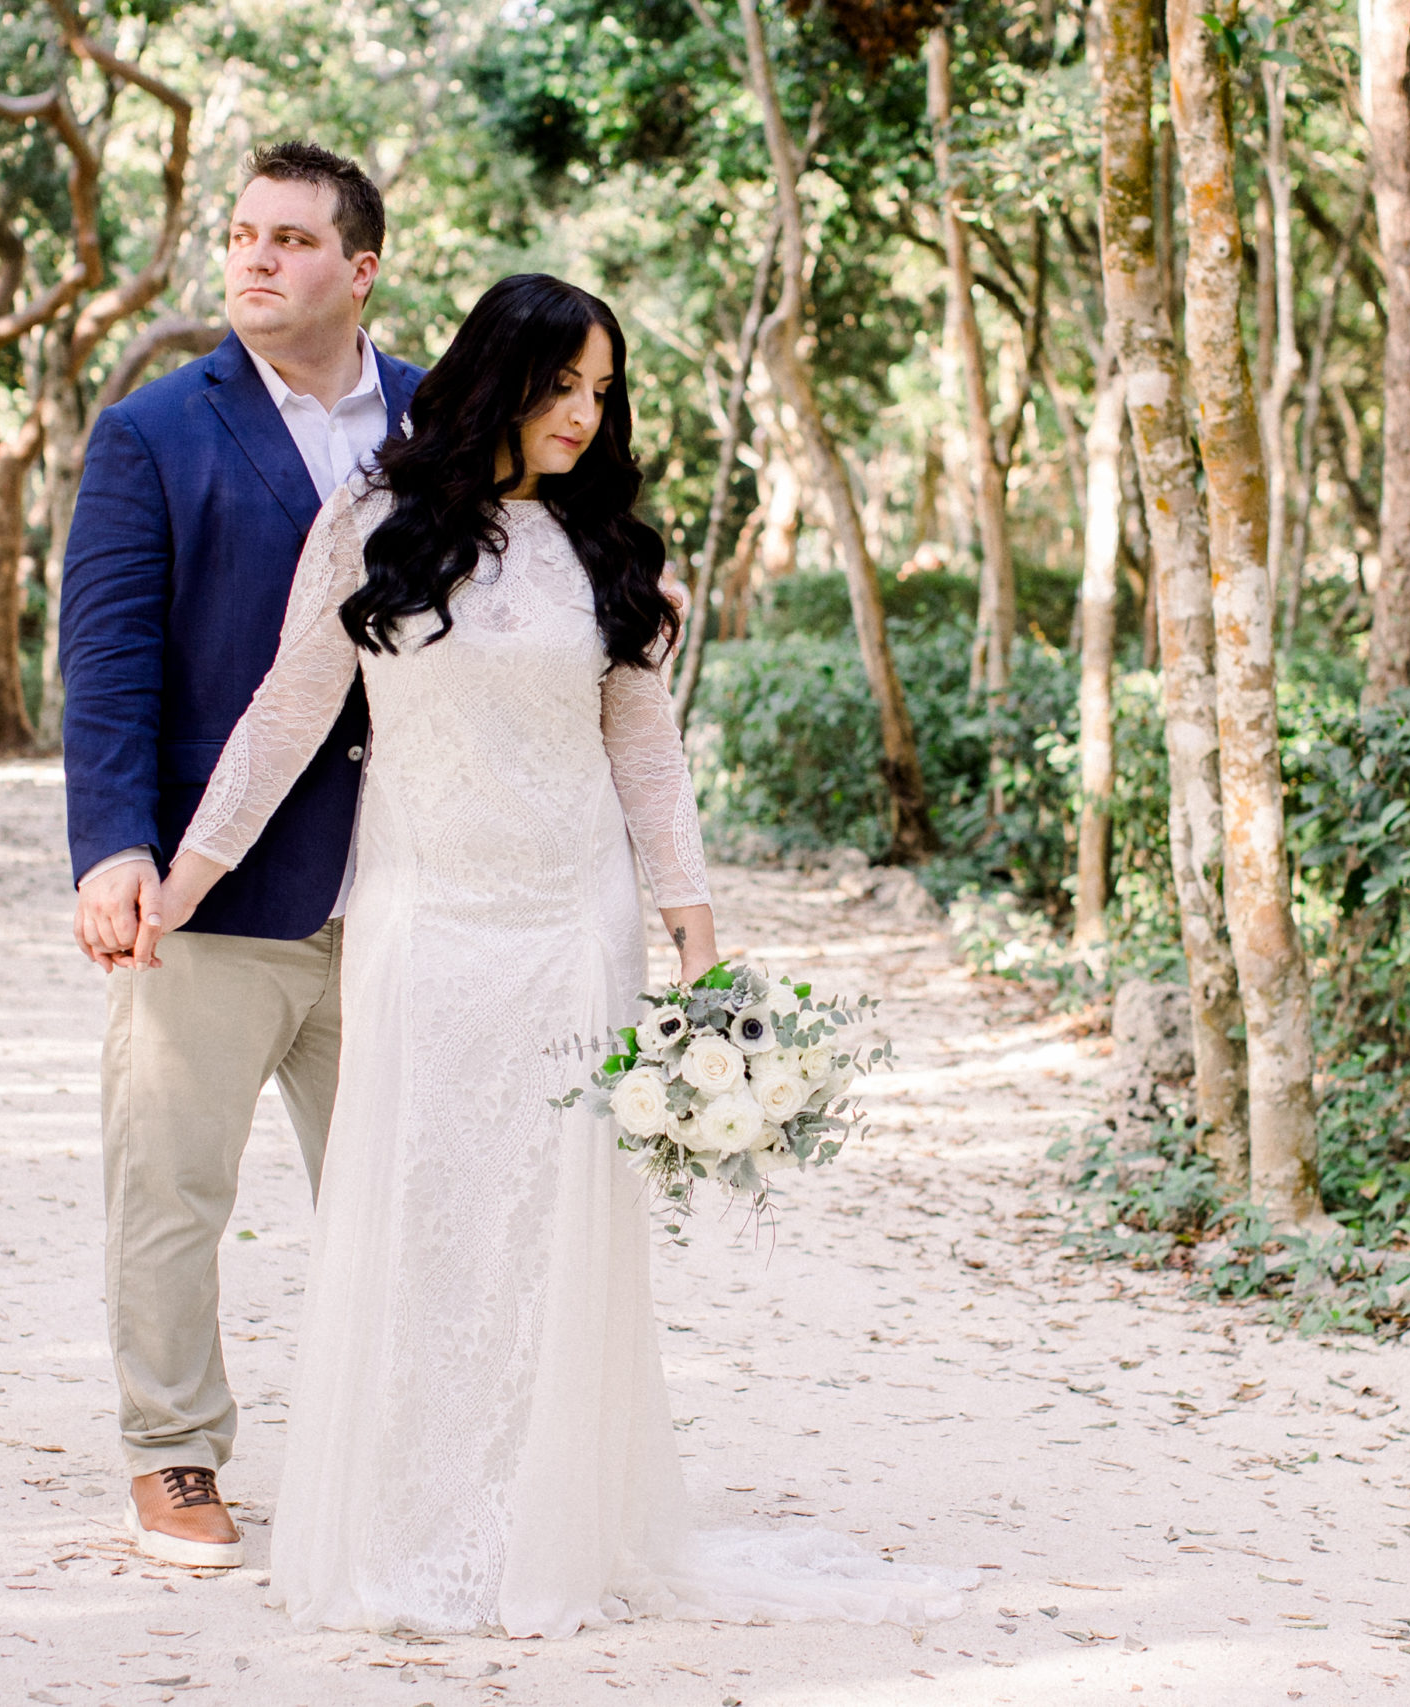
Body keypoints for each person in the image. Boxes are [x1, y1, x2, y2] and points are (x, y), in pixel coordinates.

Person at [145, 274, 973, 1635]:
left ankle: (540, 1535)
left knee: (547, 1229)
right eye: (562, 386)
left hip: (566, 925)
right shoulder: (371, 521)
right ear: (493, 380)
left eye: (603, 391)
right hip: (421, 918)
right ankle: (408, 1527)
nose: (587, 415)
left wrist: (694, 929)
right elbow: (291, 707)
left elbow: (642, 749)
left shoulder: (607, 550)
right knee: (421, 1220)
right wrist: (187, 879)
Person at [59, 141, 424, 1570]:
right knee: (173, 1188)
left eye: (290, 238)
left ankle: (398, 1442)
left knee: (403, 1187)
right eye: (242, 236)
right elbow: (108, 661)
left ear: (361, 266)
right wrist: (113, 849)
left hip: (401, 886)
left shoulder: (439, 424)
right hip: (210, 891)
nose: (257, 259)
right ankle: (174, 1456)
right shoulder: (154, 431)